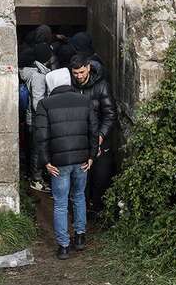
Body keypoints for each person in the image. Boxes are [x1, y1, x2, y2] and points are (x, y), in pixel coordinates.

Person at [34, 68, 100, 260]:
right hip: (81, 160)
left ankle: (63, 246)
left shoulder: (45, 104)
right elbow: (93, 130)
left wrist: (45, 161)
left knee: (61, 203)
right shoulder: (84, 100)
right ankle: (80, 236)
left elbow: (41, 136)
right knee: (79, 196)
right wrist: (91, 155)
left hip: (59, 162)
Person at [69, 53, 117, 215]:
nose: (79, 76)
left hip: (100, 138)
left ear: (88, 67)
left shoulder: (101, 85)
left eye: (82, 72)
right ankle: (81, 210)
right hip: (80, 139)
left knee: (101, 176)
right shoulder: (70, 85)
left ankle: (98, 209)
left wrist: (100, 137)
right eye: (75, 73)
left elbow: (110, 114)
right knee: (81, 176)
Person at [18, 45, 53, 192]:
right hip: (37, 120)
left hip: (32, 119)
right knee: (38, 151)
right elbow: (37, 102)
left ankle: (31, 175)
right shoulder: (38, 76)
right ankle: (36, 180)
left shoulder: (31, 72)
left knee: (33, 149)